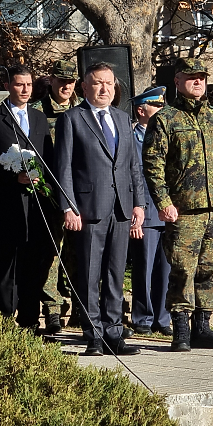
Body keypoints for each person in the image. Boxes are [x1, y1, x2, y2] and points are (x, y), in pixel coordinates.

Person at [142, 57, 213, 352]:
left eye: (202, 77)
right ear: (178, 81)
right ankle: (180, 330)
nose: (198, 82)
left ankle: (203, 328)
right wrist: (163, 201)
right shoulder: (165, 119)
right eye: (191, 77)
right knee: (183, 269)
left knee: (212, 270)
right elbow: (152, 165)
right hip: (183, 210)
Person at [55, 62, 145, 356]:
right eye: (97, 83)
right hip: (89, 208)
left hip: (121, 208)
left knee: (116, 274)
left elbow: (133, 166)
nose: (104, 88)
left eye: (109, 83)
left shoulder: (122, 118)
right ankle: (93, 334)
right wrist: (68, 206)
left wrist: (138, 204)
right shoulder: (72, 118)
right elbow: (64, 167)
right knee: (90, 273)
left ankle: (114, 332)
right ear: (84, 87)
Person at [0, 66, 54, 329]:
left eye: (29, 85)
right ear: (8, 86)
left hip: (37, 205)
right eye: (19, 85)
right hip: (7, 202)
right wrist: (12, 176)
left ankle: (30, 321)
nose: (25, 90)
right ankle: (5, 320)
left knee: (33, 264)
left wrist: (40, 179)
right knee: (8, 264)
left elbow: (48, 158)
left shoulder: (39, 118)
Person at [28, 59, 83, 332]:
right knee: (51, 252)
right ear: (52, 80)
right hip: (50, 194)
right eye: (62, 81)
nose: (66, 86)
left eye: (71, 81)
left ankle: (80, 308)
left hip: (81, 194)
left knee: (78, 253)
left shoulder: (83, 110)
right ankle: (51, 309)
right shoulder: (36, 111)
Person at [128, 86, 171, 335]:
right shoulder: (132, 137)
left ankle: (162, 318)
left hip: (168, 211)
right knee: (144, 267)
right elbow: (134, 178)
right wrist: (138, 211)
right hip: (144, 211)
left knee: (164, 269)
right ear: (141, 110)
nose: (161, 110)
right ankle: (143, 317)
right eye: (157, 106)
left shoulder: (166, 135)